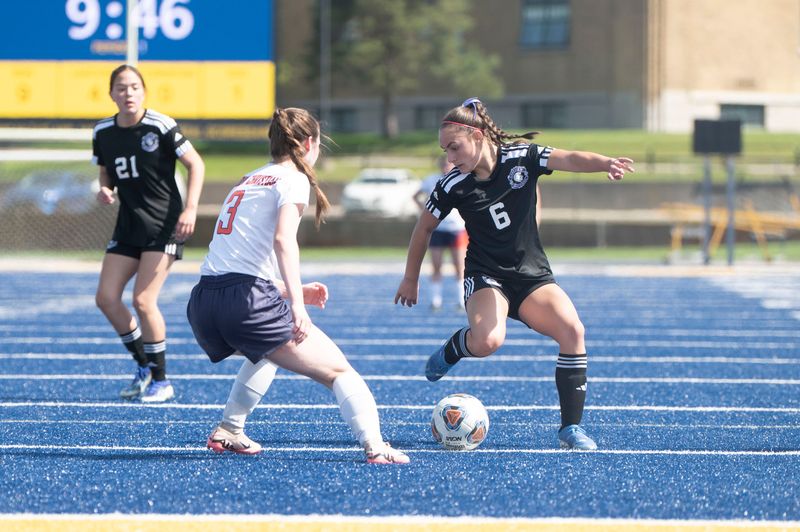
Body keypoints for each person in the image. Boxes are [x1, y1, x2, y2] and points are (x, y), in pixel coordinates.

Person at [394, 98, 634, 450]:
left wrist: (605, 163)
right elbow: (423, 229)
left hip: (531, 274)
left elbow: (569, 158)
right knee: (488, 341)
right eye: (445, 150)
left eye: (454, 147)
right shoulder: (451, 184)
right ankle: (454, 350)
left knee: (573, 332)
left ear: (476, 135)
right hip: (486, 274)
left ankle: (571, 428)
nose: (450, 157)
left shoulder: (521, 157)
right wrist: (410, 278)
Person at [186, 107, 409, 464]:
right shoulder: (293, 179)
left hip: (204, 302)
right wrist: (297, 308)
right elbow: (282, 240)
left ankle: (229, 429)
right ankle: (376, 447)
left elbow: (237, 261)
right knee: (340, 372)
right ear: (308, 144)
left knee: (266, 354)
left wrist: (293, 290)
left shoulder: (249, 178)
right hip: (245, 302)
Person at [93, 64, 205, 403]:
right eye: (121, 88)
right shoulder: (102, 131)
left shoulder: (161, 124)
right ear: (111, 93)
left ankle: (162, 380)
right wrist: (105, 190)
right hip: (128, 225)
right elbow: (105, 173)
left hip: (163, 225)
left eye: (134, 87)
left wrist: (191, 209)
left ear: (144, 91)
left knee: (143, 300)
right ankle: (144, 366)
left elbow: (196, 164)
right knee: (106, 298)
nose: (128, 93)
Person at [414, 156, 467, 310]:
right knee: (436, 266)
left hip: (456, 228)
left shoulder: (461, 179)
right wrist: (425, 210)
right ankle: (436, 301)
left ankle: (461, 300)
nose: (445, 166)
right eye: (443, 164)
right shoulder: (432, 180)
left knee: (459, 267)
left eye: (448, 164)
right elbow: (416, 195)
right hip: (437, 229)